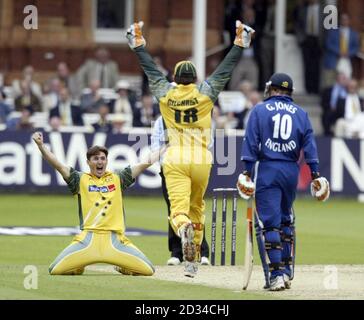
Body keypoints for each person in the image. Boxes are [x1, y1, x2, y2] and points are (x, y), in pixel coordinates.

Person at [126, 20, 254, 277]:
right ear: (194, 79)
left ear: (174, 78)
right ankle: (192, 260)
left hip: (176, 157)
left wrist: (138, 45)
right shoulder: (206, 93)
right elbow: (224, 71)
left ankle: (183, 230)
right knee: (198, 208)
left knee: (179, 212)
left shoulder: (165, 93)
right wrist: (239, 43)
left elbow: (151, 70)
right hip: (202, 160)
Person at [236, 73, 330, 291]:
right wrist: (315, 174)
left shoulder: (259, 110)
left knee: (270, 223)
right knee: (286, 221)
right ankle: (287, 271)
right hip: (290, 172)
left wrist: (247, 172)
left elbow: (251, 143)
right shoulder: (301, 113)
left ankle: (276, 275)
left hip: (267, 169)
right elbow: (310, 148)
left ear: (272, 89)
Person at [32, 131, 163, 276]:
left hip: (116, 241)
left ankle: (123, 266)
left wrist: (166, 146)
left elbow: (145, 163)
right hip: (88, 240)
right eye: (95, 159)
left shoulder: (118, 178)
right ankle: (79, 265)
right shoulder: (79, 179)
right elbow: (58, 165)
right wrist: (41, 146)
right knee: (55, 269)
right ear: (88, 162)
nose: (100, 162)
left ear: (107, 161)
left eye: (103, 158)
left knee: (148, 270)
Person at [151, 116, 210, 266]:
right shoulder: (162, 121)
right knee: (176, 208)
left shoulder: (197, 116)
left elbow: (208, 142)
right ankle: (177, 253)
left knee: (193, 207)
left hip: (194, 164)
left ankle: (202, 252)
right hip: (173, 168)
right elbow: (155, 147)